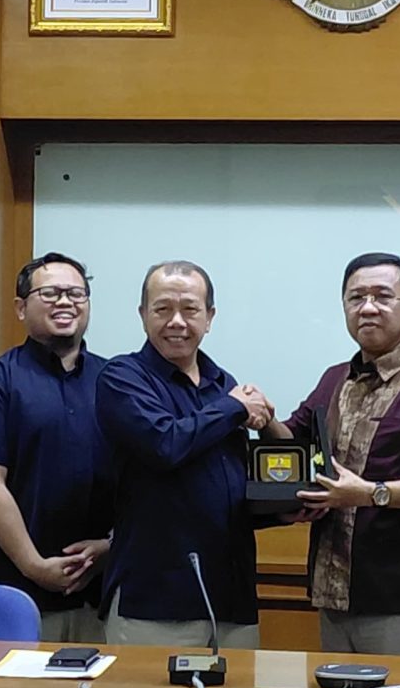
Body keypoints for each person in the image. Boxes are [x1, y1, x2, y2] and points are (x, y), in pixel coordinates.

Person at [270, 253, 400, 657]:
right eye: (355, 297)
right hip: (332, 590)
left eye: (382, 296)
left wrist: (369, 493)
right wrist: (263, 418)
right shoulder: (335, 378)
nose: (367, 307)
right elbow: (293, 443)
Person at [94, 261, 275, 649]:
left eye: (190, 309)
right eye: (162, 309)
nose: (176, 321)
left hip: (232, 599)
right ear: (143, 315)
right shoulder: (122, 377)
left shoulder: (222, 384)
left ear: (209, 318)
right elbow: (164, 445)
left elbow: (227, 484)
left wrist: (286, 505)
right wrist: (234, 408)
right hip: (156, 599)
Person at [0, 252, 113, 641]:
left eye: (76, 294)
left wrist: (109, 546)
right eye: (50, 293)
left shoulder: (115, 381)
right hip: (19, 596)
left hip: (103, 593)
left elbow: (140, 479)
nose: (65, 302)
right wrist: (34, 565)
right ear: (20, 307)